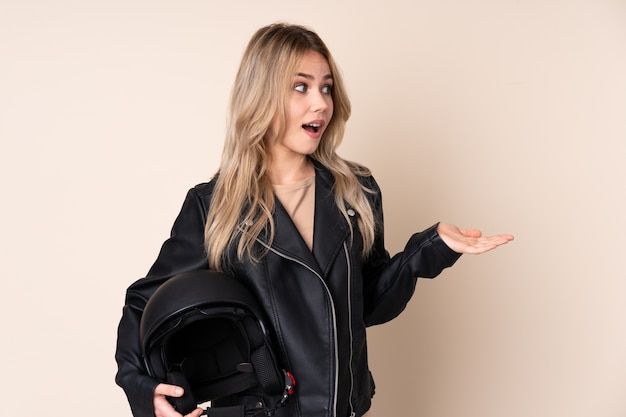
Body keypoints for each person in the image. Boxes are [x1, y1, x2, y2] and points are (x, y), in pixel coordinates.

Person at [115, 22, 514, 417]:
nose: (321, 103)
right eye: (300, 87)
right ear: (262, 95)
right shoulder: (214, 204)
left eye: (326, 87)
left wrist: (431, 248)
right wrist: (144, 388)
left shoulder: (356, 190)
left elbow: (369, 304)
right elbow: (144, 302)